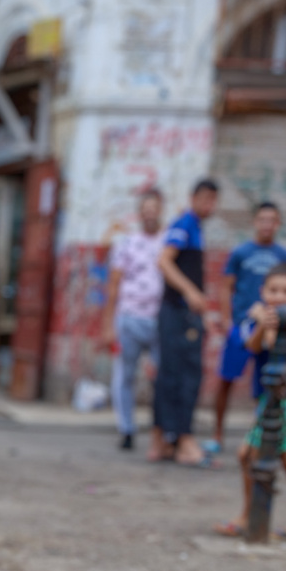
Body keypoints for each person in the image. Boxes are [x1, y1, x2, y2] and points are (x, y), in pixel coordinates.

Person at [216, 266, 286, 543]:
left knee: (248, 455)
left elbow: (278, 343)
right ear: (262, 292)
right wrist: (261, 323)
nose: (279, 297)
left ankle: (250, 517)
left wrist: (268, 323)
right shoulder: (255, 318)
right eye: (273, 291)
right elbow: (253, 346)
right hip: (268, 398)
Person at [153, 178, 222, 466]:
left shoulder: (195, 226)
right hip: (177, 313)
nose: (209, 205)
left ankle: (165, 441)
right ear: (193, 198)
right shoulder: (185, 224)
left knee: (177, 373)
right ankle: (181, 439)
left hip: (185, 314)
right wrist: (191, 292)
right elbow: (164, 261)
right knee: (181, 375)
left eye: (213, 200)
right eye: (205, 198)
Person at [213, 202, 286, 449]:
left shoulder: (284, 256)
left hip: (270, 328)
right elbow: (226, 286)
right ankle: (217, 434)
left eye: (272, 220)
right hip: (242, 325)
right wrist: (227, 320)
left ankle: (258, 435)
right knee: (226, 379)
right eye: (262, 219)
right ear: (255, 222)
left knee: (264, 383)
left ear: (278, 224)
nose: (267, 224)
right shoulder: (240, 253)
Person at [101, 189, 166, 450]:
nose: (150, 214)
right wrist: (108, 324)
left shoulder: (169, 243)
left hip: (161, 320)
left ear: (161, 211)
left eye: (154, 209)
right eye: (145, 209)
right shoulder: (126, 244)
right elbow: (114, 285)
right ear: (140, 213)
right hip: (129, 318)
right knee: (125, 376)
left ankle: (161, 430)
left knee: (161, 377)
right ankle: (126, 429)